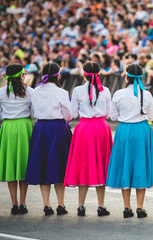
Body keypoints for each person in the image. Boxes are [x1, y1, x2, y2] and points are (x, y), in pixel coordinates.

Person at [106, 64, 153, 218]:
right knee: (140, 166)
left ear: (126, 77)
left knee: (126, 166)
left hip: (125, 131)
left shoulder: (119, 94)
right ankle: (140, 207)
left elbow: (113, 116)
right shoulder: (146, 94)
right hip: (142, 130)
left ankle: (127, 207)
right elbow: (151, 117)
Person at [63, 62, 113, 217]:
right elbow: (108, 113)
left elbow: (73, 114)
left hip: (84, 128)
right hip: (101, 128)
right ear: (98, 74)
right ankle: (101, 206)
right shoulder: (105, 90)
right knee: (102, 166)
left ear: (84, 74)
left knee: (83, 165)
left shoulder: (77, 90)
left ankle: (81, 206)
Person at [25, 62, 72, 216]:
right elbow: (68, 115)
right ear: (58, 75)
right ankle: (61, 204)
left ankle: (46, 204)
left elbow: (32, 112)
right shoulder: (61, 92)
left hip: (41, 128)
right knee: (59, 165)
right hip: (58, 128)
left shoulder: (35, 91)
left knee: (43, 164)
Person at [0, 63, 34, 215]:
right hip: (24, 126)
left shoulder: (0, 93)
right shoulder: (29, 91)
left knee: (11, 164)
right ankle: (23, 202)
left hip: (8, 127)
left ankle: (14, 203)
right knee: (23, 165)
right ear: (22, 75)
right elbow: (33, 111)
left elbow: (0, 111)